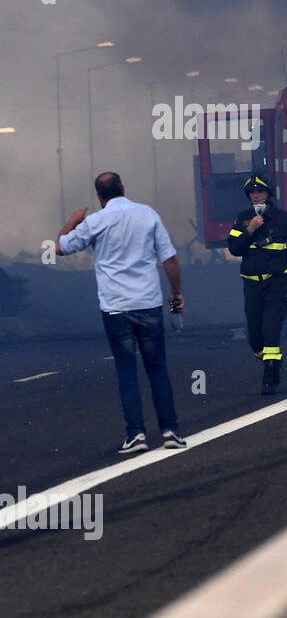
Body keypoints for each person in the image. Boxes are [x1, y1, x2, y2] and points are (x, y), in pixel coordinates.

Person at [55, 172, 187, 454]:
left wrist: (73, 220)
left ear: (100, 197)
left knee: (127, 372)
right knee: (158, 369)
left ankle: (136, 435)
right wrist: (176, 293)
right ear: (123, 188)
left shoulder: (95, 221)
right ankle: (170, 430)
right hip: (148, 303)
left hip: (116, 308)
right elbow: (169, 258)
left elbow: (60, 248)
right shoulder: (148, 214)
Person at [227, 174, 287, 394]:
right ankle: (269, 359)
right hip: (251, 284)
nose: (256, 196)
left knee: (271, 325)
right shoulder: (243, 218)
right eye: (252, 192)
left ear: (268, 194)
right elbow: (235, 249)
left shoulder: (284, 219)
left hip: (276, 282)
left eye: (260, 192)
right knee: (254, 334)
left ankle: (270, 373)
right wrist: (250, 230)